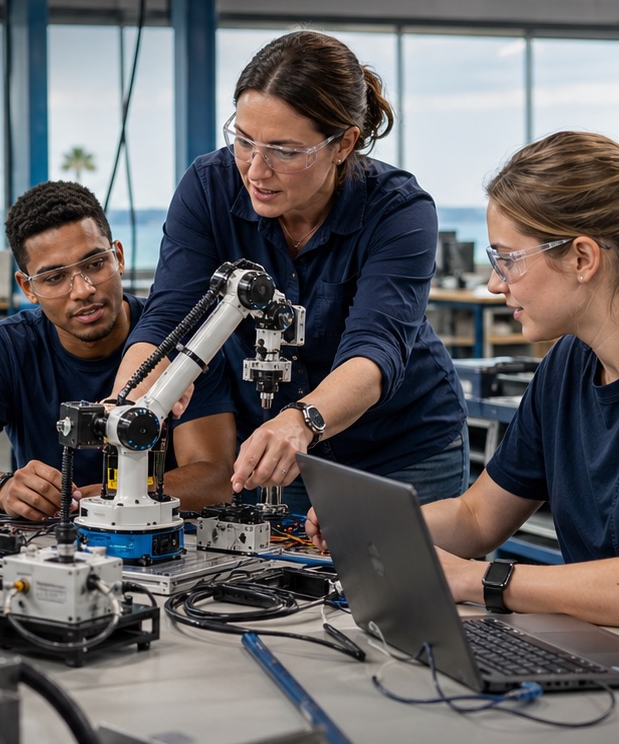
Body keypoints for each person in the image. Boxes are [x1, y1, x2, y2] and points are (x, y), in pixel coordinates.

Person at [311, 132, 619, 629]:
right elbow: (477, 519)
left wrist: (475, 580)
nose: (495, 282)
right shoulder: (568, 364)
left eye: (508, 258)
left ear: (582, 258)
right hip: (617, 646)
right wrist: (373, 528)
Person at [114, 30, 467, 516]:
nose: (256, 171)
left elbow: (375, 347)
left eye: (283, 150)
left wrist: (303, 420)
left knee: (405, 590)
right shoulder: (209, 188)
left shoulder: (398, 210)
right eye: (243, 141)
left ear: (343, 143)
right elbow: (170, 315)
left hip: (403, 452)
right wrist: (133, 393)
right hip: (275, 453)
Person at [0, 182, 225, 520]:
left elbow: (214, 477)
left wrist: (117, 498)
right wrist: (3, 489)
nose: (82, 290)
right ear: (28, 288)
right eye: (54, 278)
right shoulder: (5, 349)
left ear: (118, 257)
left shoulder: (179, 339)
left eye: (94, 264)